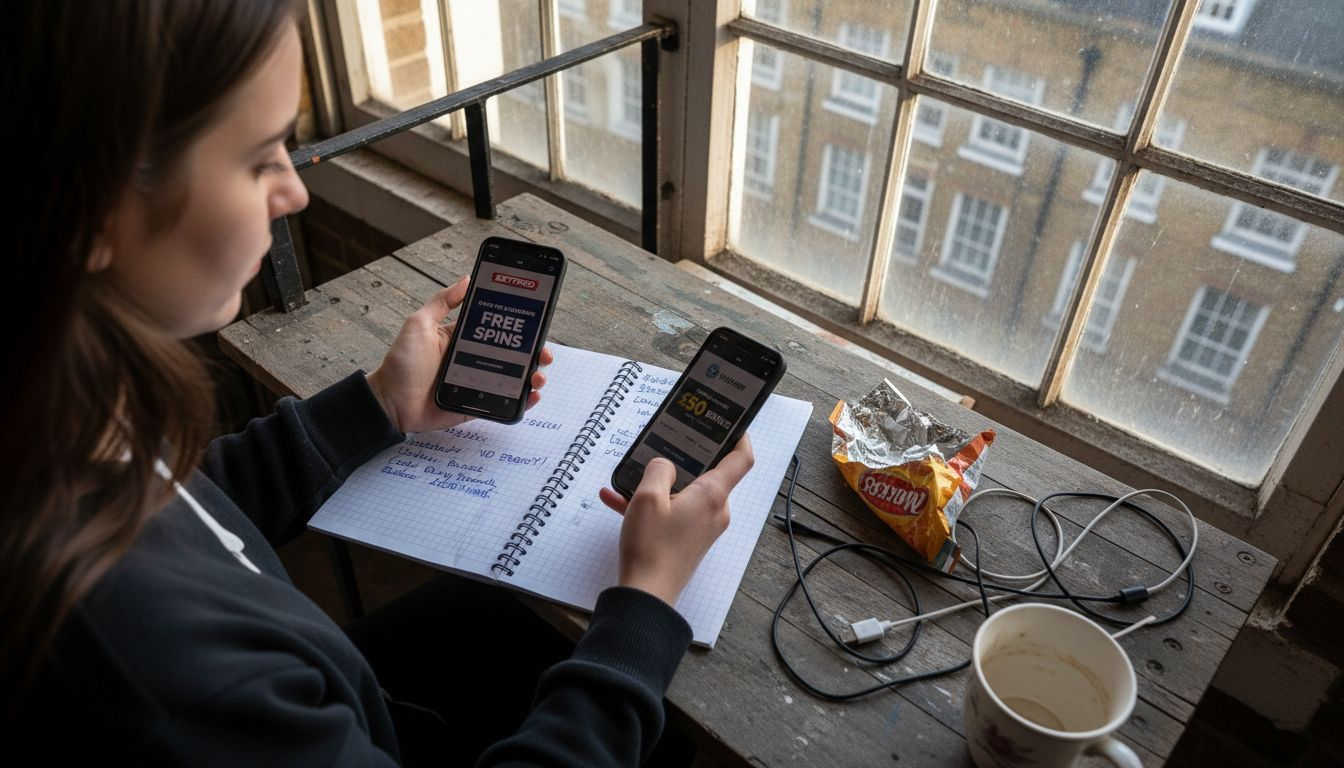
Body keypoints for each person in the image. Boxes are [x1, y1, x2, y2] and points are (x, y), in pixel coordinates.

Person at [0, 1, 754, 765]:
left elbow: (190, 506)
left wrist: (377, 407)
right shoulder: (170, 681)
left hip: (343, 684)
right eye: (261, 158)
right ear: (92, 210)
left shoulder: (64, 419)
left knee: (505, 612)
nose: (294, 192)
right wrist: (648, 607)